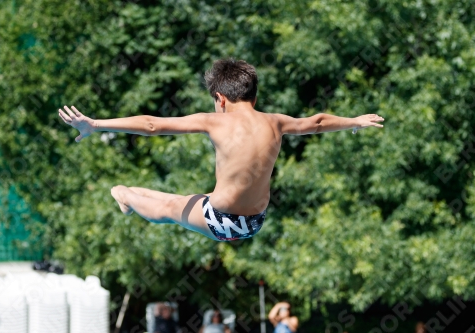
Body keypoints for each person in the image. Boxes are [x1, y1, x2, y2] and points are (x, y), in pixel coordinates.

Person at [58, 58, 384, 241]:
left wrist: (96, 124)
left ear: (220, 98)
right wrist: (353, 120)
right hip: (255, 221)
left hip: (222, 220)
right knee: (181, 202)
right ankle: (127, 193)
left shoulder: (215, 121)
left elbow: (152, 124)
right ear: (254, 95)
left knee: (171, 210)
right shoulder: (276, 121)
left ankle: (126, 196)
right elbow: (317, 121)